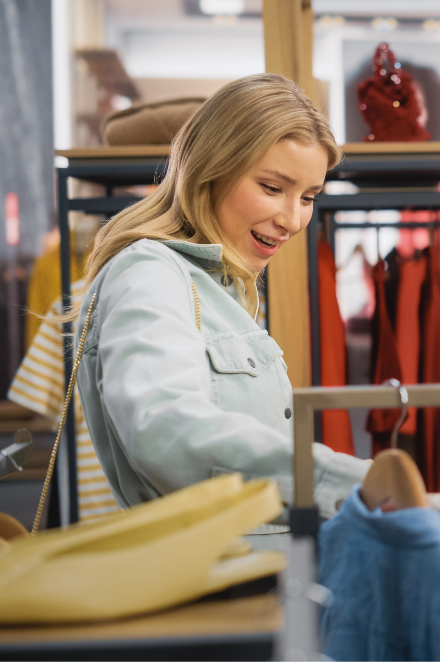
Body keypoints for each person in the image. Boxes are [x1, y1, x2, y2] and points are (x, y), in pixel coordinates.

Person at [71, 74, 368, 518]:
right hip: (209, 575)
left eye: (308, 197)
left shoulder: (220, 286)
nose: (293, 220)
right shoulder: (150, 273)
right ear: (212, 167)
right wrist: (357, 482)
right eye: (272, 188)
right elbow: (164, 430)